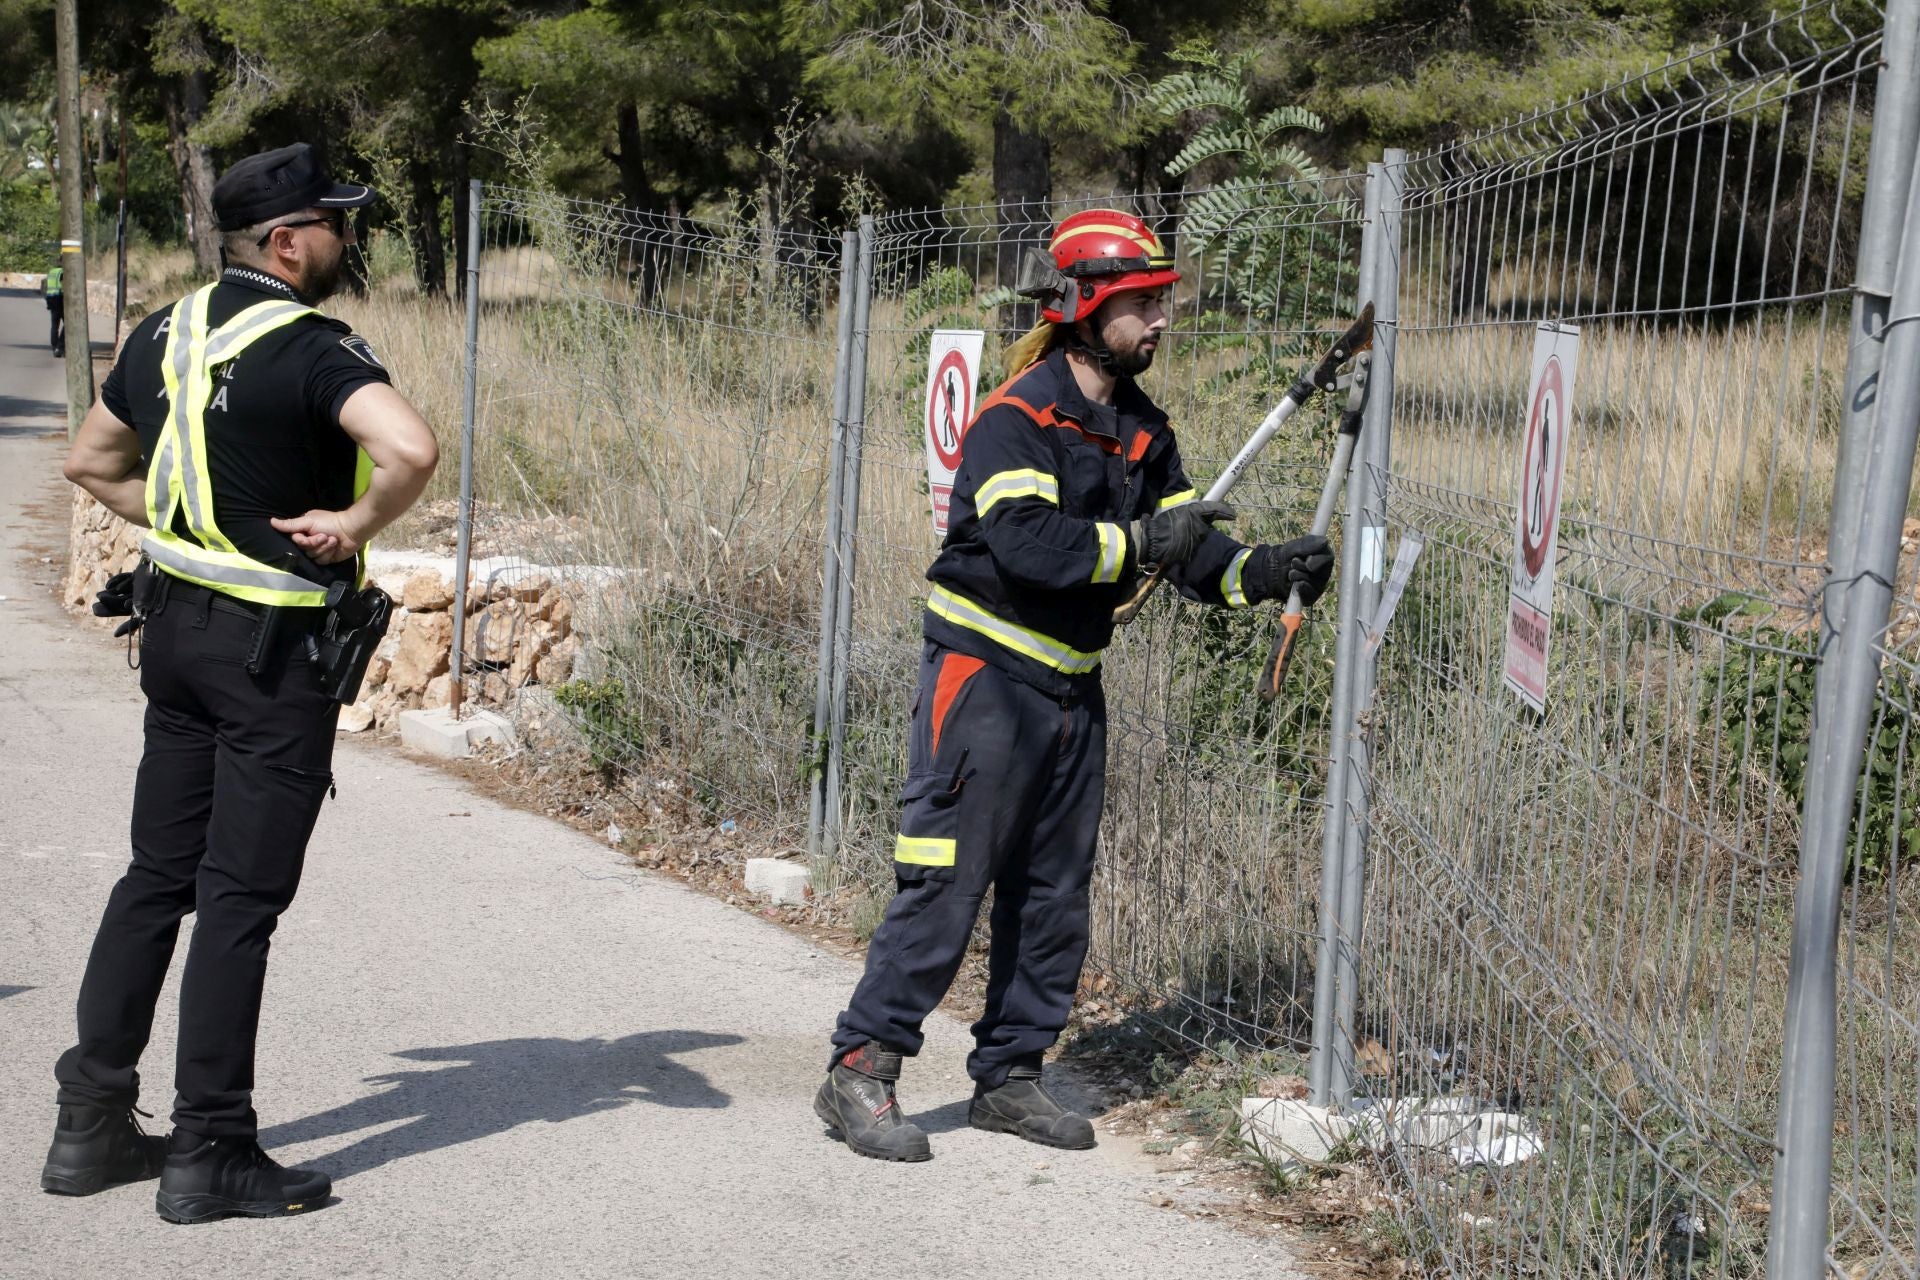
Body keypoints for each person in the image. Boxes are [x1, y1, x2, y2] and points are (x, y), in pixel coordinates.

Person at [813, 209, 1336, 1161]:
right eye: (1145, 302)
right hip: (984, 680)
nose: (1162, 321)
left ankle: (1008, 1078)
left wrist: (1261, 570)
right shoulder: (1017, 417)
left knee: (1053, 897)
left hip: (1070, 693)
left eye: (1162, 302)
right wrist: (1137, 544)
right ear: (1090, 304)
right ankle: (861, 1071)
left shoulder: (1143, 430)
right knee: (945, 883)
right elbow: (1026, 546)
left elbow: (1189, 549)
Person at [45, 142, 438, 1222]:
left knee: (156, 876)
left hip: (174, 636)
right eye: (337, 225)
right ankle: (211, 1144)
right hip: (268, 653)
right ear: (288, 241)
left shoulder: (166, 331)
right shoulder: (313, 349)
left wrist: (183, 531)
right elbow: (411, 445)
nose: (347, 242)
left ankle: (90, 1123)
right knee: (238, 900)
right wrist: (354, 524)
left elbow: (91, 462)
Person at [45, 260, 64, 356]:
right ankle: (60, 346)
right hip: (60, 299)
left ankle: (54, 347)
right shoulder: (64, 272)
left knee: (54, 325)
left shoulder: (52, 271)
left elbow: (45, 286)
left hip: (51, 299)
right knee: (69, 325)